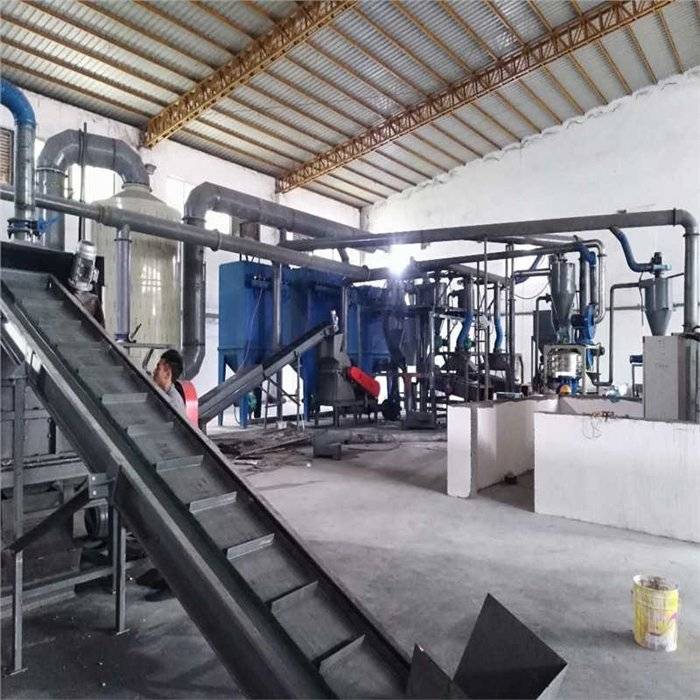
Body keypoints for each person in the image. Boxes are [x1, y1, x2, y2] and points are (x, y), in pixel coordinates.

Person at [153, 349, 186, 414]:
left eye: (158, 369)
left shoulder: (172, 405)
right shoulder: (163, 395)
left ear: (167, 374)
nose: (154, 371)